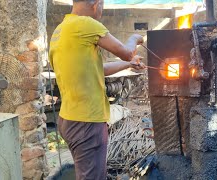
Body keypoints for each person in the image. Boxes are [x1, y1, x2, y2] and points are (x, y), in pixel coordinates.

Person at [48, 0, 145, 179]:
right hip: (87, 122)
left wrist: (128, 64)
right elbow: (126, 51)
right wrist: (134, 38)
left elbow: (99, 69)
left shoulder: (61, 30)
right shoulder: (86, 24)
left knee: (88, 173)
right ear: (96, 3)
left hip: (68, 119)